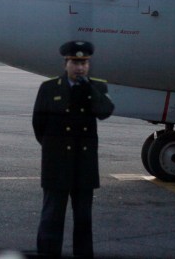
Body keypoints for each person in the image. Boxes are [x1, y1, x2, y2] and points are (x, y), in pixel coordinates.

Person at [32, 40, 114, 258]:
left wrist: (88, 89)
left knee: (83, 221)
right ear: (65, 63)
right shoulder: (49, 88)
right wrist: (54, 149)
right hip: (56, 165)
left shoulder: (97, 87)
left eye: (84, 63)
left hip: (83, 166)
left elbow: (106, 111)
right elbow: (39, 125)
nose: (80, 67)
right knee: (51, 219)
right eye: (75, 62)